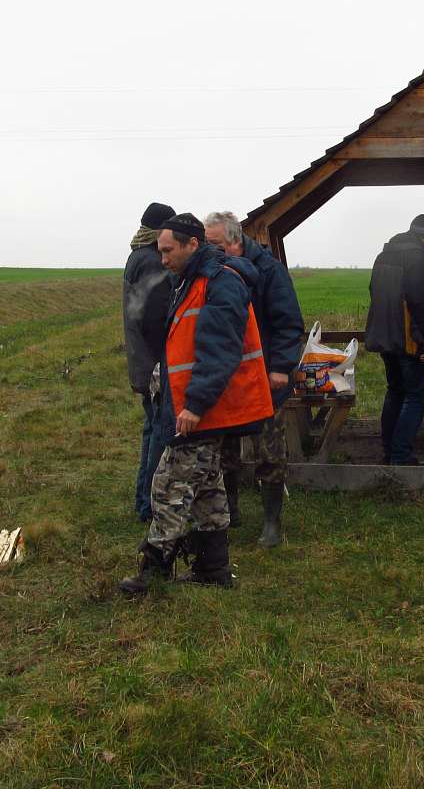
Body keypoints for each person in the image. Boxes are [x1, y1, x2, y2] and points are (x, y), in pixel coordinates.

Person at [119, 213, 273, 594]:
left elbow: (219, 351)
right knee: (207, 487)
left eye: (168, 250)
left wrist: (196, 405)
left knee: (169, 484)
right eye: (160, 251)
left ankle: (152, 571)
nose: (163, 259)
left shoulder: (220, 283)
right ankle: (213, 569)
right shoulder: (191, 281)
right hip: (199, 405)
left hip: (207, 409)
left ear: (192, 244)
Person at [204, 211, 304, 548]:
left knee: (269, 451)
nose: (211, 251)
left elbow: (288, 322)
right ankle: (230, 511)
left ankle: (272, 523)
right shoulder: (212, 272)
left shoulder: (269, 270)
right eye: (207, 244)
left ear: (235, 241)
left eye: (216, 244)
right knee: (226, 449)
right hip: (227, 378)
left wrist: (280, 367)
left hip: (264, 378)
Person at [364, 213, 424, 465]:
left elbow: (373, 291)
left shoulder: (384, 254)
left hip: (384, 335)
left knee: (395, 391)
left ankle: (389, 451)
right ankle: (401, 455)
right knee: (416, 396)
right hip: (408, 339)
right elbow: (419, 301)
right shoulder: (419, 256)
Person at [123, 201, 176, 522]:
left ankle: (143, 501)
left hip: (142, 362)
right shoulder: (153, 263)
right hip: (155, 363)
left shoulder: (136, 257)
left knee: (150, 429)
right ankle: (150, 504)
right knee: (159, 431)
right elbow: (157, 319)